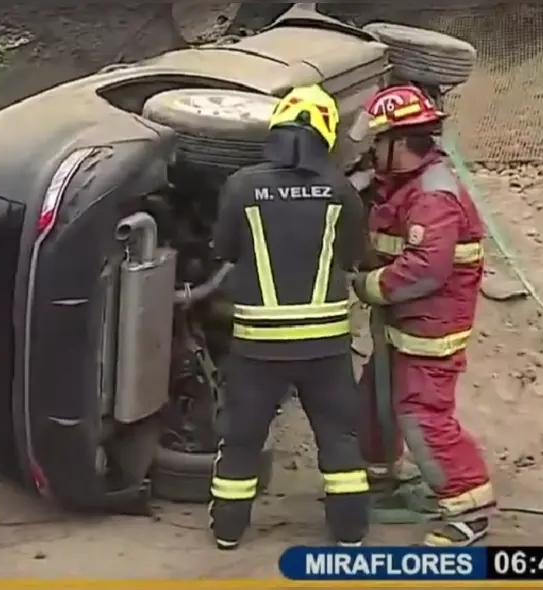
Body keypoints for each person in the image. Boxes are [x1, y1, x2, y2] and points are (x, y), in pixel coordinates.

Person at [208, 84, 371, 549]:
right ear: (324, 132)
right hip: (325, 347)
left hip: (258, 347)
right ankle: (350, 532)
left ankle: (227, 532)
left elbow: (223, 250)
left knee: (241, 438)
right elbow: (353, 256)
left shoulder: (241, 185)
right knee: (339, 437)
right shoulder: (340, 189)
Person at [349, 83, 495, 547]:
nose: (371, 151)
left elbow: (426, 268)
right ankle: (378, 479)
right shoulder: (402, 186)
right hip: (403, 325)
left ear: (398, 143)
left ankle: (470, 511)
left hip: (430, 331)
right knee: (375, 395)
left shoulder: (433, 197)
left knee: (422, 415)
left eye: (376, 141)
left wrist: (369, 286)